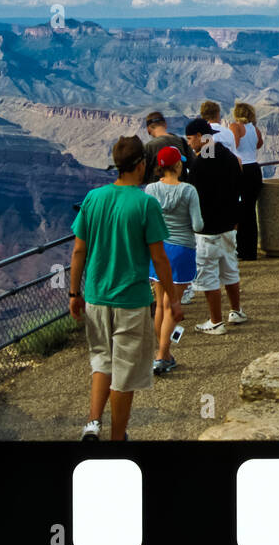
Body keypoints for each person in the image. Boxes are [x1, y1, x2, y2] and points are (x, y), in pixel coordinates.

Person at [68, 135, 174, 440]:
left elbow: (78, 252)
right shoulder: (145, 204)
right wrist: (171, 298)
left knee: (102, 361)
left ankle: (92, 424)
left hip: (97, 298)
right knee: (124, 376)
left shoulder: (93, 198)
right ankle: (117, 438)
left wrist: (75, 293)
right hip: (131, 301)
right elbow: (159, 257)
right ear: (141, 165)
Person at [184, 118, 247, 333]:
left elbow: (194, 197)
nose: (190, 143)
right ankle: (236, 311)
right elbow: (238, 186)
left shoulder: (200, 164)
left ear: (201, 137)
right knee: (230, 270)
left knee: (209, 274)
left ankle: (215, 321)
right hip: (229, 225)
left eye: (191, 139)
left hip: (207, 228)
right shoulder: (228, 156)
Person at [144, 145, 202, 374]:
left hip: (159, 249)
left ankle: (164, 353)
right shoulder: (188, 191)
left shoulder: (150, 189)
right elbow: (198, 225)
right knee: (171, 306)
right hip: (181, 251)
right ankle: (161, 357)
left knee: (160, 304)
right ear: (178, 165)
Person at [228, 101, 264, 261]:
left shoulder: (235, 127)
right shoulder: (254, 128)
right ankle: (250, 251)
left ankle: (241, 249)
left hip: (242, 170)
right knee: (250, 210)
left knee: (239, 210)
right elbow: (259, 144)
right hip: (255, 170)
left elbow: (233, 144)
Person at [141, 111, 188, 184]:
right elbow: (194, 166)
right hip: (182, 190)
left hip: (156, 193)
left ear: (148, 129)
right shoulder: (182, 142)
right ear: (165, 125)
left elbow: (142, 174)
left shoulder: (149, 147)